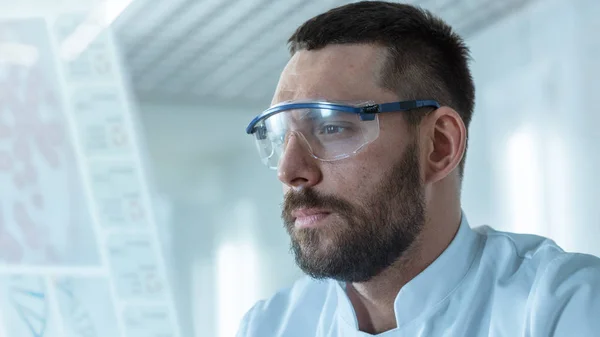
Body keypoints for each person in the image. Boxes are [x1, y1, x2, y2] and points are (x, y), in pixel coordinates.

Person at [238, 1, 600, 336]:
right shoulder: (270, 325)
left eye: (332, 127)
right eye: (281, 135)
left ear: (439, 146)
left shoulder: (563, 306)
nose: (289, 171)